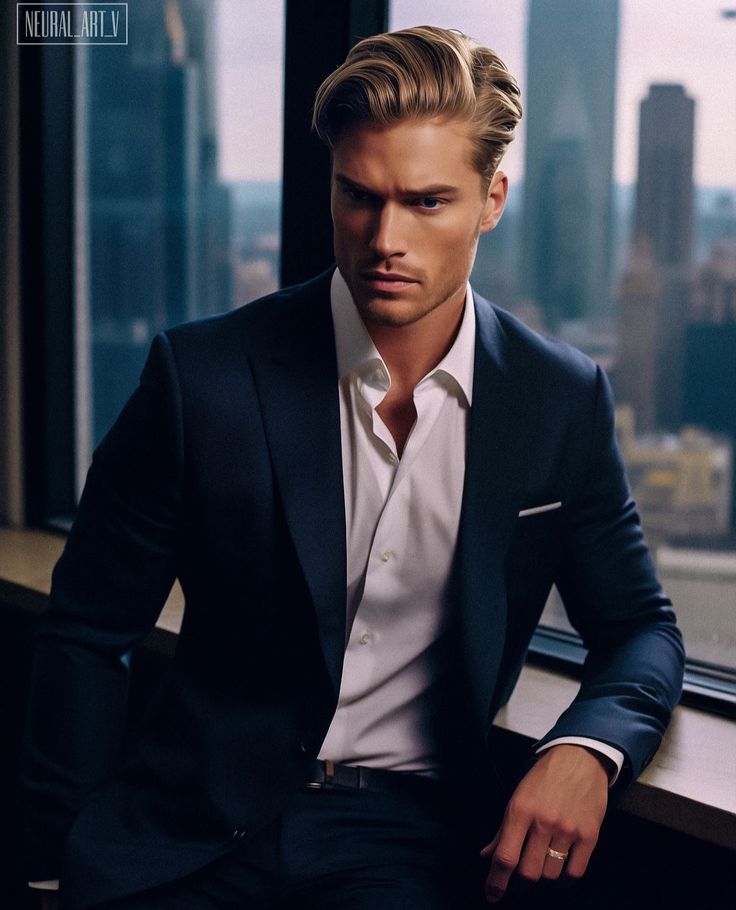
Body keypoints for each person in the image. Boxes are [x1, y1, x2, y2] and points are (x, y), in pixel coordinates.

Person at [23, 25, 684, 910]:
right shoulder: (203, 378)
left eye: (426, 202)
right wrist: (53, 859)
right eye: (359, 197)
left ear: (492, 199)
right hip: (185, 829)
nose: (385, 238)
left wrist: (585, 751)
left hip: (408, 837)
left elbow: (642, 629)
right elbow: (85, 629)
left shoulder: (557, 399)